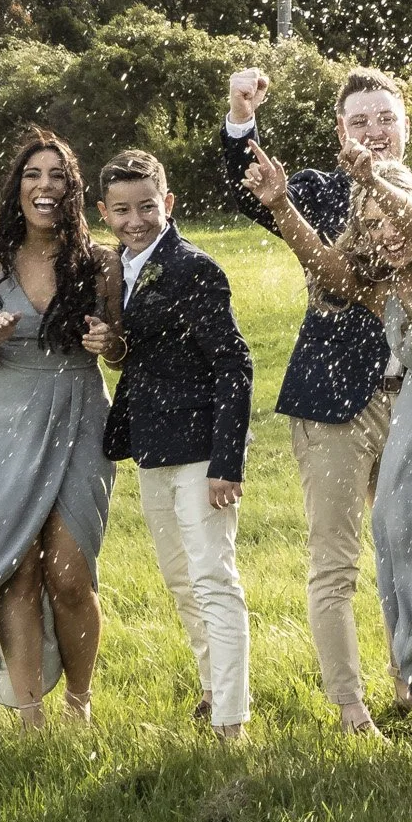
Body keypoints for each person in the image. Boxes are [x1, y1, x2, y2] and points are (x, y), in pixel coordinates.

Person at [240, 138, 412, 757]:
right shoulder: (382, 288)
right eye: (373, 224)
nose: (386, 232)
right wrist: (280, 206)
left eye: (392, 217)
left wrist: (378, 185)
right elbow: (327, 267)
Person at [218, 66, 412, 737]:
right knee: (337, 558)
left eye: (386, 118)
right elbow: (250, 188)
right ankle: (352, 709)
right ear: (340, 133)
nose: (375, 131)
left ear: (405, 127)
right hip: (332, 406)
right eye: (360, 121)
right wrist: (242, 119)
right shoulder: (320, 193)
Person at [0, 132, 122, 728]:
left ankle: (79, 703)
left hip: (81, 412)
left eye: (57, 175)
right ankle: (29, 712)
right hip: (5, 418)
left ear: (72, 188)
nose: (44, 186)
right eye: (32, 175)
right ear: (16, 189)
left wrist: (110, 343)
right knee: (19, 566)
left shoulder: (101, 262)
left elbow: (117, 349)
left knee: (69, 569)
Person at [90, 150, 256, 740]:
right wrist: (112, 341)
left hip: (202, 452)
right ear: (105, 213)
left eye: (146, 207)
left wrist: (227, 463)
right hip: (152, 447)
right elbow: (144, 353)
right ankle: (211, 692)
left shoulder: (194, 268)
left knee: (213, 578)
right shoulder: (119, 268)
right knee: (180, 579)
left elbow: (234, 365)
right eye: (121, 210)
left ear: (169, 203)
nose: (135, 220)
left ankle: (232, 721)